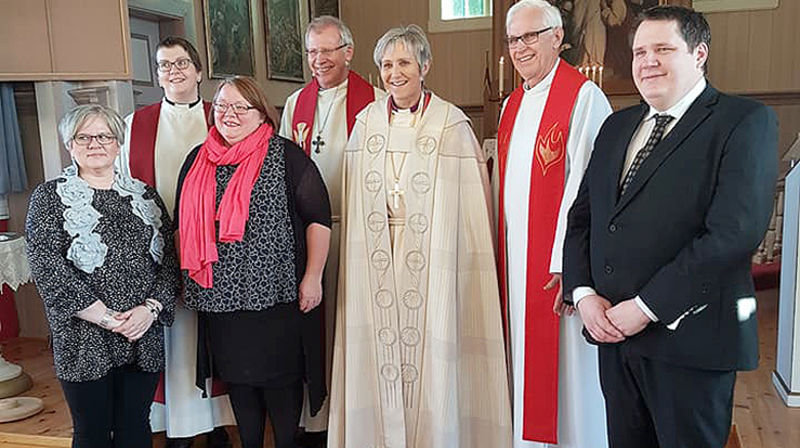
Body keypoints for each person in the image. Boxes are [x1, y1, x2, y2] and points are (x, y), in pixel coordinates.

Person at [563, 6, 778, 447]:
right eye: (640, 51)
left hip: (691, 340)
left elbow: (732, 236)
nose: (647, 61)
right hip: (614, 338)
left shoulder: (742, 122)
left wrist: (643, 308)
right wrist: (583, 295)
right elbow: (583, 217)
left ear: (699, 53)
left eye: (663, 48)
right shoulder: (616, 126)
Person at [328, 24, 512, 448]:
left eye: (404, 62)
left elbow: (470, 218)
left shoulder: (452, 125)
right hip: (376, 256)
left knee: (433, 346)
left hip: (433, 259)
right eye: (387, 64)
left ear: (424, 66)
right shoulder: (366, 123)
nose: (395, 72)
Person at [176, 76, 331, 448]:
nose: (229, 114)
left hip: (276, 297)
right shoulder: (197, 159)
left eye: (240, 107)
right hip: (221, 299)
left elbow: (318, 218)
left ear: (262, 114)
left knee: (281, 382)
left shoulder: (287, 155)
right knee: (239, 380)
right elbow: (182, 225)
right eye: (222, 106)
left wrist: (313, 277)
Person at [25, 104, 179, 448]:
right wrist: (108, 318)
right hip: (83, 335)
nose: (95, 144)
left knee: (135, 427)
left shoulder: (146, 195)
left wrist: (150, 310)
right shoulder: (48, 198)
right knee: (92, 432)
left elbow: (170, 262)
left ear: (117, 142)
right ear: (70, 143)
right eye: (84, 136)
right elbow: (48, 268)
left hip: (142, 332)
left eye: (104, 136)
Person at [497, 2, 612, 447]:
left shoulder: (583, 98)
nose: (521, 48)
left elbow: (586, 187)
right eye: (513, 40)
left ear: (557, 37)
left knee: (567, 373)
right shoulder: (512, 104)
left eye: (530, 36)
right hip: (515, 261)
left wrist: (570, 262)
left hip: (556, 268)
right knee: (524, 365)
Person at [118, 35, 235, 448]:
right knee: (169, 335)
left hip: (213, 246)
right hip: (157, 247)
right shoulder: (137, 123)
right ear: (157, 73)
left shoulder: (220, 116)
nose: (173, 71)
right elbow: (121, 184)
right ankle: (176, 426)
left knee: (211, 332)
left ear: (199, 70)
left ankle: (215, 420)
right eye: (164, 65)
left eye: (182, 63)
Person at [278, 16, 381, 443]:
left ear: (348, 52)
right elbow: (280, 165)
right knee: (312, 324)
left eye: (327, 51)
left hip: (358, 229)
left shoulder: (374, 100)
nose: (319, 61)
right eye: (312, 52)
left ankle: (356, 414)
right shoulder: (294, 104)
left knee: (354, 323)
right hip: (307, 233)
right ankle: (315, 419)